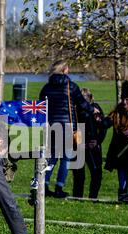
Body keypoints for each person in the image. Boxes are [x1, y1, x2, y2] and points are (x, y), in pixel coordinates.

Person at [39, 60, 94, 198]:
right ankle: (59, 186)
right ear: (64, 70)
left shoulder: (46, 88)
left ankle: (44, 184)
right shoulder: (71, 86)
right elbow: (82, 104)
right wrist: (93, 110)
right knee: (66, 158)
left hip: (51, 126)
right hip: (67, 126)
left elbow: (41, 107)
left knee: (51, 158)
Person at [72, 88, 107, 198]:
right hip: (79, 145)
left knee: (96, 172)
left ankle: (92, 196)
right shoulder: (74, 111)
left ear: (90, 99)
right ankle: (78, 196)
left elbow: (103, 126)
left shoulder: (95, 109)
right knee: (79, 175)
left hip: (92, 145)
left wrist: (97, 141)